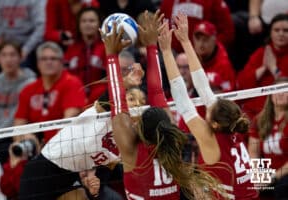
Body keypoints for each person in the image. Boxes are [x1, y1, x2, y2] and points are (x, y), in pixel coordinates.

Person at [100, 10, 220, 199]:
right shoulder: (173, 145)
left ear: (138, 128)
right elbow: (151, 95)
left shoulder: (132, 152)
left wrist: (112, 54)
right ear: (167, 124)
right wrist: (149, 46)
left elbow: (127, 99)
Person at [158, 13, 259, 199]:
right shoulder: (233, 125)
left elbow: (181, 99)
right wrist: (186, 42)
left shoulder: (210, 138)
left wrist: (165, 51)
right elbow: (204, 87)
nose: (208, 105)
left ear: (214, 125)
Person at [14, 41, 87, 143]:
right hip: (34, 147)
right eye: (44, 59)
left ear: (61, 62)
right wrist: (24, 139)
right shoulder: (28, 89)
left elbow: (69, 121)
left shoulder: (72, 83)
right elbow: (18, 125)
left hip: (62, 144)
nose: (48, 62)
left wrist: (49, 147)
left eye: (53, 58)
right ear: (38, 64)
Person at [0, 42, 36, 165]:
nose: (8, 59)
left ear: (21, 57)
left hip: (16, 136)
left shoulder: (30, 82)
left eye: (12, 55)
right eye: (3, 55)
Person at [237, 14, 288, 120]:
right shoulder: (261, 53)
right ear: (270, 33)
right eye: (276, 30)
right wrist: (263, 68)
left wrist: (273, 68)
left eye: (286, 30)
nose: (281, 34)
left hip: (281, 111)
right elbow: (241, 84)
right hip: (255, 111)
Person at [248, 77, 288, 200]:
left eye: (285, 90)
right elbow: (253, 153)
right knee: (247, 186)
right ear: (270, 94)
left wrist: (272, 177)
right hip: (269, 174)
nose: (280, 93)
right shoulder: (259, 120)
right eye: (276, 90)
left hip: (283, 176)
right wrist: (256, 176)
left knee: (282, 187)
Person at [160, 0, 235, 52]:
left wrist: (209, 49)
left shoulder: (214, 2)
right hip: (174, 55)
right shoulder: (167, 2)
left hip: (203, 57)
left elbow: (227, 31)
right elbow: (162, 27)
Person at [64, 7, 106, 100]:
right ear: (78, 24)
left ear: (99, 24)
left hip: (100, 100)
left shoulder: (106, 47)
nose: (87, 24)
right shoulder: (71, 49)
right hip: (74, 98)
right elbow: (65, 77)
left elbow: (108, 80)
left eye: (92, 21)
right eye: (83, 21)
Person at [0, 0, 46, 71]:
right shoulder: (2, 1)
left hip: (26, 45)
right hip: (6, 45)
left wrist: (26, 49)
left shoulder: (35, 1)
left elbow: (41, 28)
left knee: (21, 67)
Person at [193, 21, 236, 92]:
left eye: (205, 40)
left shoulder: (224, 65)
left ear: (214, 39)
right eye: (198, 39)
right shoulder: (188, 59)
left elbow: (228, 96)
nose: (201, 44)